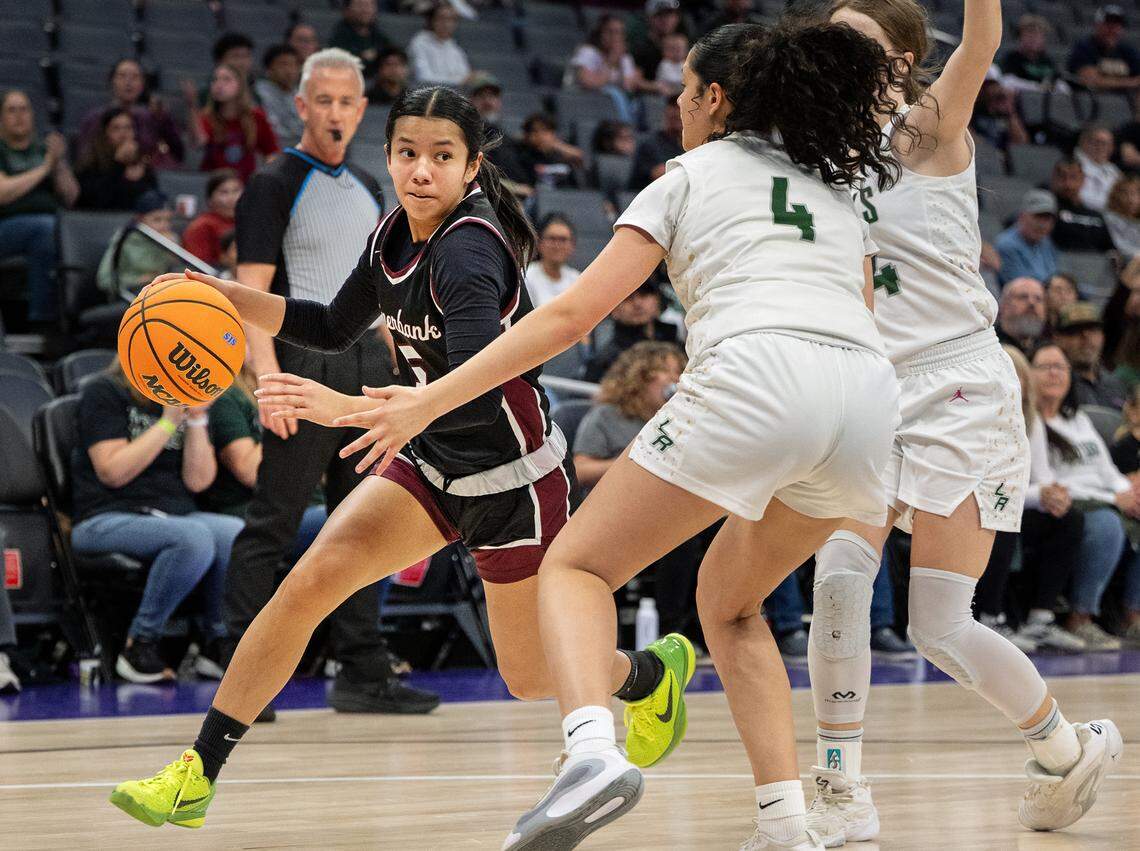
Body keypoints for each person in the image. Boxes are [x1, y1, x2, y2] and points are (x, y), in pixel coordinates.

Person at [317, 22, 913, 850]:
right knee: (730, 604)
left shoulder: (689, 175)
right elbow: (863, 315)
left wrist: (429, 400)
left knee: (576, 567)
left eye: (685, 91)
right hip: (868, 403)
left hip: (759, 373)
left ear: (715, 98)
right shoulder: (831, 187)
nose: (677, 106)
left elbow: (569, 317)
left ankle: (591, 753)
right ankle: (785, 823)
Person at [111, 82, 688, 832]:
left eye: (442, 157)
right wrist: (219, 294)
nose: (421, 169)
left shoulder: (469, 249)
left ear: (471, 166)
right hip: (432, 463)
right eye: (408, 152)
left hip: (512, 479)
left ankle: (647, 674)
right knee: (306, 583)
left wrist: (348, 408)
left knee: (528, 675)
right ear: (386, 156)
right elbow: (329, 325)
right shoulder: (392, 235)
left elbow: (474, 388)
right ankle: (196, 774)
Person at [805, 1, 1121, 846]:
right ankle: (839, 784)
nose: (836, 49)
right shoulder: (822, 153)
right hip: (872, 387)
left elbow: (982, 39)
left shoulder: (926, 128)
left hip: (958, 384)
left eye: (856, 38)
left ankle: (1062, 745)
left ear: (902, 59)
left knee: (938, 623)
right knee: (839, 576)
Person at [70, 363, 242, 682]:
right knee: (193, 537)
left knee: (234, 532)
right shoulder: (105, 391)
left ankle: (217, 643)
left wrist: (196, 419)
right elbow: (112, 471)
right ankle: (140, 644)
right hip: (106, 516)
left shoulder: (183, 398)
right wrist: (167, 422)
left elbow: (199, 481)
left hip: (174, 515)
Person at [574, 342, 704, 636]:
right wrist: (637, 464)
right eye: (665, 371)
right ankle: (650, 631)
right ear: (639, 376)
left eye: (679, 372)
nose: (675, 379)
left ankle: (685, 630)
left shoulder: (680, 422)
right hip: (617, 512)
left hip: (669, 510)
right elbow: (580, 470)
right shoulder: (606, 417)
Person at [976, 345, 1086, 652]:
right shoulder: (980, 420)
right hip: (984, 504)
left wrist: (1056, 495)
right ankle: (990, 618)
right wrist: (1041, 495)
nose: (1011, 382)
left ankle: (1040, 619)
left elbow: (1041, 476)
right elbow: (991, 485)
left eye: (1017, 376)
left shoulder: (1031, 420)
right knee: (1003, 514)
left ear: (1026, 383)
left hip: (1017, 502)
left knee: (1070, 518)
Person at [1032, 343, 1137, 650]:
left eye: (1061, 367)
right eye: (1046, 367)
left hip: (1102, 497)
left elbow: (1107, 470)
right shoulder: (1031, 422)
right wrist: (1113, 499)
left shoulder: (1077, 419)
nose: (1054, 373)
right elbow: (1049, 483)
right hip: (1064, 503)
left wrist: (1128, 492)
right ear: (1028, 374)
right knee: (1107, 524)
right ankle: (1080, 617)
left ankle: (1133, 615)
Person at [0, 89, 78, 328]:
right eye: (11, 110)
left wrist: (59, 162)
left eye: (24, 109)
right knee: (45, 228)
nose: (19, 116)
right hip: (6, 227)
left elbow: (72, 196)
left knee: (62, 231)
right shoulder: (2, 150)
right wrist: (44, 169)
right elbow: (3, 193)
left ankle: (72, 318)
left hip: (50, 227)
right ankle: (43, 319)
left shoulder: (43, 151)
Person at [76, 59, 184, 170]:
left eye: (135, 77)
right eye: (122, 76)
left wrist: (163, 119)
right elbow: (84, 160)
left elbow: (177, 153)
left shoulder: (151, 117)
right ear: (112, 81)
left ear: (142, 84)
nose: (128, 82)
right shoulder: (95, 118)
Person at [191, 64, 280, 183]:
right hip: (213, 184)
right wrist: (191, 107)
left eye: (226, 79)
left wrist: (265, 180)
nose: (219, 84)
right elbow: (200, 141)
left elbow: (272, 152)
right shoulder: (206, 116)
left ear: (240, 85)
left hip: (246, 183)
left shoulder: (256, 117)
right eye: (215, 80)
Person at [583, 278, 684, 382]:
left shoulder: (679, 343)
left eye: (644, 294)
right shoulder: (605, 361)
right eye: (627, 297)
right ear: (613, 309)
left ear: (658, 300)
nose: (637, 303)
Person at [568, 14, 655, 124]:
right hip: (584, 104)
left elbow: (628, 87)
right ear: (600, 33)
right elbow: (588, 83)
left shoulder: (624, 58)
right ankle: (625, 125)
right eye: (610, 32)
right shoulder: (588, 52)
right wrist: (611, 61)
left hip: (612, 109)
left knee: (638, 103)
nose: (615, 37)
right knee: (613, 92)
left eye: (619, 32)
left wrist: (620, 62)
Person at [95, 190, 179, 297]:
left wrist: (174, 254)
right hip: (130, 295)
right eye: (157, 220)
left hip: (162, 292)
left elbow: (182, 273)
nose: (164, 226)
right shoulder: (125, 239)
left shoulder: (170, 239)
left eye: (168, 220)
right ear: (140, 219)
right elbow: (104, 280)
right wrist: (138, 280)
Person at [75, 107, 158, 211]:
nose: (124, 134)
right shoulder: (90, 165)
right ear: (105, 134)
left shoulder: (144, 166)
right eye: (116, 129)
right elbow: (96, 202)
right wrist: (118, 164)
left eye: (128, 128)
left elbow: (153, 202)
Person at [1053, 302, 1128, 409]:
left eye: (1093, 330)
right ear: (1058, 339)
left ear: (1102, 336)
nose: (1086, 337)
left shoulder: (1117, 385)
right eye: (1075, 331)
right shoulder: (1054, 384)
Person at [1049, 157, 1117, 253]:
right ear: (1053, 179)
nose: (1068, 183)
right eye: (1062, 177)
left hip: (1093, 261)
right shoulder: (1046, 212)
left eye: (1073, 177)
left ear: (1083, 180)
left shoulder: (1096, 216)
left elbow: (1111, 250)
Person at [1068, 5, 1140, 94]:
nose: (1112, 30)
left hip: (1125, 99)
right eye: (1108, 24)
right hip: (1091, 98)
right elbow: (1091, 81)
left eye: (1117, 26)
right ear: (1097, 25)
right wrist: (1131, 82)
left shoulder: (1128, 51)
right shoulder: (1085, 48)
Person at [994, 189, 1059, 285]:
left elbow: (1054, 275)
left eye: (1047, 219)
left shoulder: (1046, 242)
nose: (1042, 224)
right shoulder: (1006, 245)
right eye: (1038, 217)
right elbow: (1022, 286)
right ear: (1022, 216)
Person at [182, 169, 242, 267]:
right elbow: (197, 268)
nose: (232, 198)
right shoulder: (200, 227)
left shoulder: (248, 222)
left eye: (236, 191)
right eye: (224, 192)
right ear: (210, 199)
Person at [407, 2, 471, 86]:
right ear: (432, 21)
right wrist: (460, 81)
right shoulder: (419, 43)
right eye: (442, 18)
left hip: (451, 91)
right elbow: (423, 77)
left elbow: (465, 75)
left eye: (452, 19)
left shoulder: (454, 46)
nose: (447, 24)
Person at [254, 45, 304, 149]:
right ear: (269, 69)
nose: (289, 71)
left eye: (294, 65)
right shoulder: (258, 94)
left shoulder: (302, 94)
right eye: (283, 64)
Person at [524, 213, 580, 306]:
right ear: (539, 243)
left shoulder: (576, 279)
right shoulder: (526, 277)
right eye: (552, 239)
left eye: (563, 239)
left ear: (572, 245)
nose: (557, 245)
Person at [631, 95, 684, 189]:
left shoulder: (688, 145)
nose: (677, 112)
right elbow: (658, 174)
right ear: (666, 114)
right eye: (674, 117)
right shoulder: (649, 144)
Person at [329, 0, 391, 80]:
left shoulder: (380, 38)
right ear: (346, 10)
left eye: (370, 5)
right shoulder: (338, 38)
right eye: (360, 4)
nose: (365, 10)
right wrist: (364, 58)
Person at [999, 15, 1062, 91]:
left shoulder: (1048, 61)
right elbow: (1007, 81)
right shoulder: (1011, 58)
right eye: (1029, 34)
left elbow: (1057, 82)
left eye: (1038, 35)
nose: (1033, 39)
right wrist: (1037, 87)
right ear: (1020, 37)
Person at [629, 0, 686, 80]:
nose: (665, 19)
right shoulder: (641, 48)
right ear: (649, 18)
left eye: (670, 14)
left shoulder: (683, 43)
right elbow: (635, 81)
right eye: (660, 15)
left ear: (677, 18)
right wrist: (656, 86)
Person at [970, 79, 1028, 156]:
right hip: (980, 155)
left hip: (1001, 157)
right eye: (991, 97)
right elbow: (968, 138)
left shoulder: (1007, 116)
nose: (999, 102)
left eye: (1000, 97)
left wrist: (1010, 113)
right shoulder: (973, 113)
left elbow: (1021, 144)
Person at [1075, 126, 1123, 213]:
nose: (1101, 147)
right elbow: (1078, 196)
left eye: (1107, 144)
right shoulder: (1073, 165)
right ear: (1084, 142)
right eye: (1097, 142)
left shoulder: (1114, 171)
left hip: (1112, 215)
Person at [995, 276, 1048, 354]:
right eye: (1023, 297)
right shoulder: (990, 343)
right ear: (1004, 305)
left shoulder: (1048, 348)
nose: (1032, 303)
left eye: (1038, 299)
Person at [1104, 175, 1140, 259]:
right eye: (1125, 193)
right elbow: (1120, 246)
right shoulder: (1110, 218)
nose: (1131, 199)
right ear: (1116, 195)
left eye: (1136, 194)